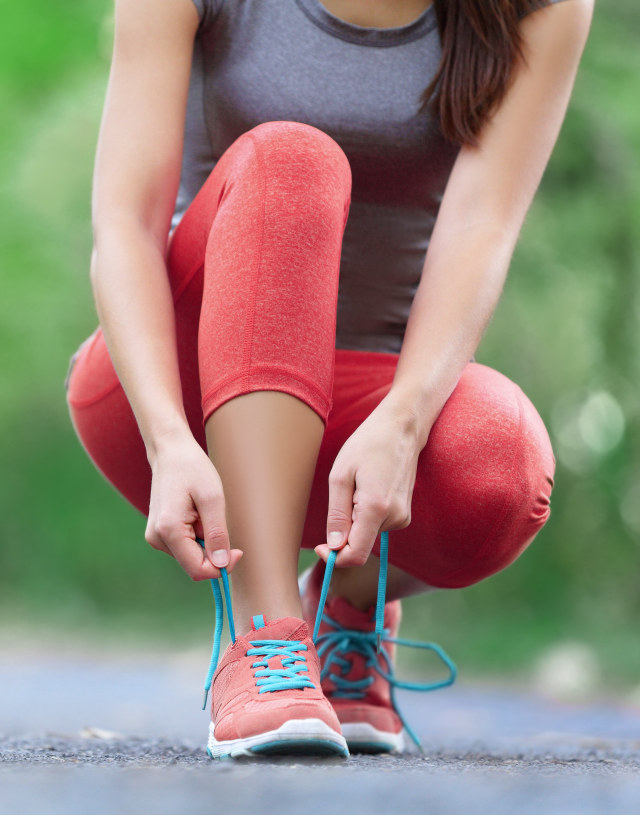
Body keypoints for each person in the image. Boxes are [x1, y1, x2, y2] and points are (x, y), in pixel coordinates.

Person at [65, 0, 593, 759]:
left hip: (365, 410)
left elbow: (483, 224)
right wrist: (166, 438)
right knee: (291, 159)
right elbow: (124, 224)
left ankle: (343, 604)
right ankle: (265, 637)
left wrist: (406, 421)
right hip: (177, 390)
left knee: (502, 464)